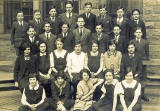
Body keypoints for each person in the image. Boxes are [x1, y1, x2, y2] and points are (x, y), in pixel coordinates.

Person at [130, 27, 149, 102]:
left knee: (143, 78)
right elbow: (130, 52)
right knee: (135, 78)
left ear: (142, 34)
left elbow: (147, 53)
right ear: (134, 34)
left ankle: (143, 94)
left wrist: (146, 60)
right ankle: (135, 95)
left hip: (143, 62)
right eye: (137, 32)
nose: (138, 34)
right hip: (135, 63)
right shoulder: (132, 41)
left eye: (139, 32)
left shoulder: (145, 42)